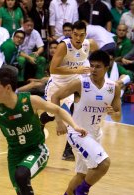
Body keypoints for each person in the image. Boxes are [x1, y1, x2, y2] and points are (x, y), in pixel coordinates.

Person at [51, 50, 121, 195]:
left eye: (98, 66)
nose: (94, 69)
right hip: (77, 132)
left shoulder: (113, 87)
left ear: (106, 67)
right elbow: (55, 96)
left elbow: (118, 116)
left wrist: (113, 113)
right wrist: (59, 121)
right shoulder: (81, 83)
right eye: (92, 66)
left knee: (82, 175)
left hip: (95, 134)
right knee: (104, 164)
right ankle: (82, 192)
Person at [41, 20, 98, 161]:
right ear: (71, 34)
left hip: (73, 83)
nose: (78, 38)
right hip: (57, 84)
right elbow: (53, 69)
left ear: (86, 34)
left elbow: (101, 60)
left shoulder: (90, 44)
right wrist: (77, 69)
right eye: (75, 34)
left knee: (76, 115)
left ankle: (68, 151)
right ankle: (41, 122)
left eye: (81, 35)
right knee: (53, 115)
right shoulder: (64, 46)